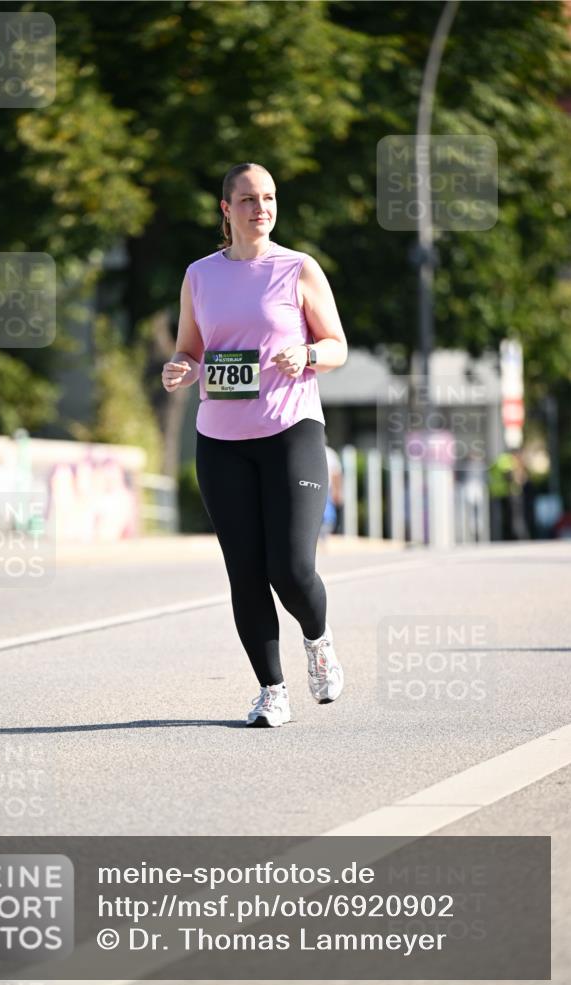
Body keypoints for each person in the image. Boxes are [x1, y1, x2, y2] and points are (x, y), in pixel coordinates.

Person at [162, 162, 348, 728]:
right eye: (247, 199)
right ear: (226, 209)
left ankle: (317, 640)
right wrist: (180, 368)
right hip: (221, 440)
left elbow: (337, 344)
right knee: (244, 571)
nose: (260, 208)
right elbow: (190, 350)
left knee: (290, 568)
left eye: (267, 198)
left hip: (292, 429)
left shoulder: (298, 269)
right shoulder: (200, 276)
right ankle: (273, 690)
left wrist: (309, 355)